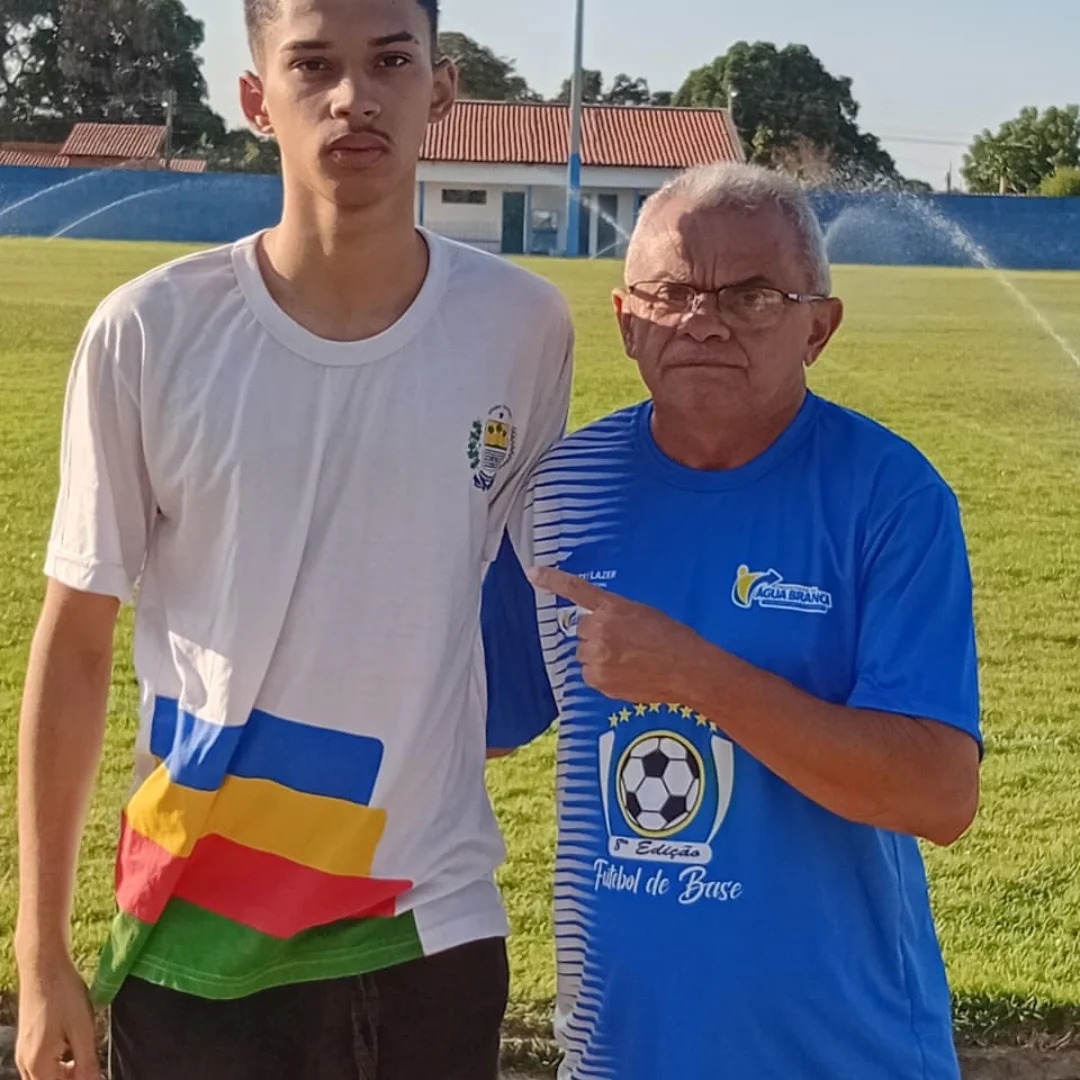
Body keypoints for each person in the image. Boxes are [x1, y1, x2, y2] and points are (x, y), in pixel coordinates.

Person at [14, 0, 572, 1077]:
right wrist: (40, 952)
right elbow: (75, 644)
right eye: (313, 64)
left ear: (440, 90)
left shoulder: (523, 326)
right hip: (201, 924)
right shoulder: (148, 331)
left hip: (428, 914)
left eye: (390, 62)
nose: (354, 96)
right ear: (257, 99)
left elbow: (516, 573)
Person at [489, 162, 981, 1079]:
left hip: (843, 1054)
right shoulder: (562, 490)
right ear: (626, 319)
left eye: (752, 294)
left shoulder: (889, 496)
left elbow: (938, 795)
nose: (703, 320)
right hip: (618, 1055)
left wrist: (695, 676)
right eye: (670, 292)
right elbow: (476, 721)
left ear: (819, 327)